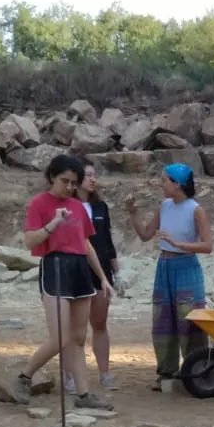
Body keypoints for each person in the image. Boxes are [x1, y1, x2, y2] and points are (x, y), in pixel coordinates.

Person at [11, 154, 115, 411]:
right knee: (60, 337)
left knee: (78, 338)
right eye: (64, 181)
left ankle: (84, 394)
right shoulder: (39, 204)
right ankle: (24, 377)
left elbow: (87, 244)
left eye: (73, 182)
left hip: (79, 269)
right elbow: (30, 241)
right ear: (51, 178)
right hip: (56, 266)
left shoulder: (78, 207)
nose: (69, 187)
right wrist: (54, 223)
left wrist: (102, 278)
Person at [126, 163, 214, 391]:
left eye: (164, 180)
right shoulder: (164, 206)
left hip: (186, 267)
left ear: (178, 184)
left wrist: (177, 244)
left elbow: (207, 245)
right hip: (164, 267)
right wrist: (133, 213)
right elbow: (146, 234)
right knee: (163, 319)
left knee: (189, 320)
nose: (160, 184)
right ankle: (166, 372)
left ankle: (196, 371)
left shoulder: (195, 209)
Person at [77, 162, 124, 393]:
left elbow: (107, 241)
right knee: (74, 327)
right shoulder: (68, 206)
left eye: (94, 175)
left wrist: (116, 272)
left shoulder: (101, 207)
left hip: (101, 271)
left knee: (99, 322)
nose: (93, 180)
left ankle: (104, 373)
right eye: (88, 175)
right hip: (76, 270)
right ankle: (71, 375)